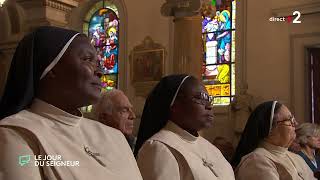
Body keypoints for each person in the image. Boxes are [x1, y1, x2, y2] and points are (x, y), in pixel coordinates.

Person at [0, 26, 142, 180]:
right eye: (87, 59)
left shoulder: (115, 136)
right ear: (51, 68)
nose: (100, 71)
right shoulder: (18, 133)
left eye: (97, 62)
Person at [135, 74, 235, 180]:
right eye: (200, 98)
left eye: (209, 99)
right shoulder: (159, 148)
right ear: (174, 105)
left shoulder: (212, 149)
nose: (209, 106)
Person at [232, 101, 316, 180]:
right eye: (290, 120)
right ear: (269, 128)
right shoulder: (255, 161)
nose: (296, 124)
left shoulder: (297, 158)